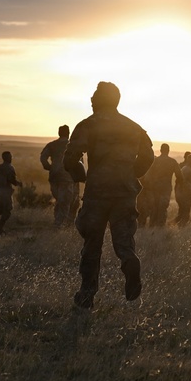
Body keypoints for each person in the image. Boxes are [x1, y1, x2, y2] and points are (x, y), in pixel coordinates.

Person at [63, 81, 154, 310]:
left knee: (92, 244)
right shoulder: (133, 127)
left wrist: (80, 176)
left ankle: (86, 295)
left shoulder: (88, 125)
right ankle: (129, 261)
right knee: (123, 241)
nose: (91, 101)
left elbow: (70, 158)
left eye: (94, 97)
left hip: (97, 192)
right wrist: (131, 174)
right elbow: (148, 156)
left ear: (101, 100)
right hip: (125, 192)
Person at [39, 125, 79, 227]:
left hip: (54, 177)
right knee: (66, 202)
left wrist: (49, 167)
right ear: (68, 133)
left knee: (60, 200)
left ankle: (59, 222)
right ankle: (60, 225)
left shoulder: (52, 145)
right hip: (68, 178)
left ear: (59, 133)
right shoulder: (72, 146)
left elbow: (43, 157)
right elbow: (79, 163)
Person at [142, 143, 182, 227]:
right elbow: (179, 176)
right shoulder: (172, 161)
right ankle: (160, 226)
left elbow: (147, 176)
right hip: (166, 188)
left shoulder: (155, 161)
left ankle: (152, 226)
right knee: (163, 207)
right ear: (168, 151)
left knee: (154, 207)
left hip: (154, 187)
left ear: (160, 150)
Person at [173, 152, 191, 226]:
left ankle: (171, 225)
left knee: (181, 213)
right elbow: (186, 184)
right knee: (185, 215)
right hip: (184, 195)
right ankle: (180, 228)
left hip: (180, 193)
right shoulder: (188, 170)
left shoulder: (184, 168)